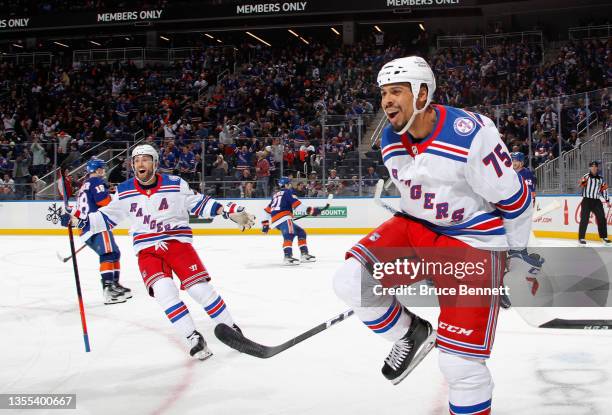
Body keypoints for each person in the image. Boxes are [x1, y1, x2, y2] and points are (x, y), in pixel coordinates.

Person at [332, 56, 537, 414]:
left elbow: (515, 198)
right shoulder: (390, 139)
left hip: (474, 243)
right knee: (352, 281)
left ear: (423, 93)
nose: (387, 101)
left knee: (460, 366)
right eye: (383, 93)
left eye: (397, 91)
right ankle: (410, 334)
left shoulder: (471, 135)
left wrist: (516, 258)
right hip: (417, 228)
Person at [62, 144, 255, 360]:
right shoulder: (124, 190)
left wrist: (228, 211)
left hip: (177, 244)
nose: (139, 164)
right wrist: (77, 220)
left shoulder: (174, 184)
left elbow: (200, 203)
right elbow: (105, 217)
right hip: (147, 250)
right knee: (164, 292)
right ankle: (192, 337)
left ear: (155, 163)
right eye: (136, 161)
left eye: (145, 159)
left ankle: (232, 330)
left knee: (199, 289)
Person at [67, 158, 132, 304]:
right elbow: (104, 202)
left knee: (114, 252)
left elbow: (79, 210)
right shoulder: (96, 182)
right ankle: (108, 289)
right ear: (96, 170)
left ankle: (114, 284)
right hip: (96, 225)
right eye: (102, 169)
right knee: (108, 253)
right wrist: (114, 198)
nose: (103, 171)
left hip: (87, 227)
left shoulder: (84, 186)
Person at [261, 176, 317, 265]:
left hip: (276, 220)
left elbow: (267, 211)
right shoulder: (288, 193)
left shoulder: (275, 195)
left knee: (301, 232)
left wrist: (265, 224)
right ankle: (287, 257)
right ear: (286, 185)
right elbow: (297, 206)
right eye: (289, 183)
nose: (290, 185)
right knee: (289, 234)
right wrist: (311, 210)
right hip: (284, 218)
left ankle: (304, 254)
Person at [578, 160, 610, 246]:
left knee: (602, 218)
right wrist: (581, 182)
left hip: (596, 201)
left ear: (597, 168)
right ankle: (581, 238)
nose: (594, 168)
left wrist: (607, 200)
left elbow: (604, 190)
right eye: (592, 166)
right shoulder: (586, 176)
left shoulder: (601, 179)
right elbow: (580, 186)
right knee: (584, 219)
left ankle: (604, 237)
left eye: (596, 167)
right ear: (590, 168)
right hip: (587, 200)